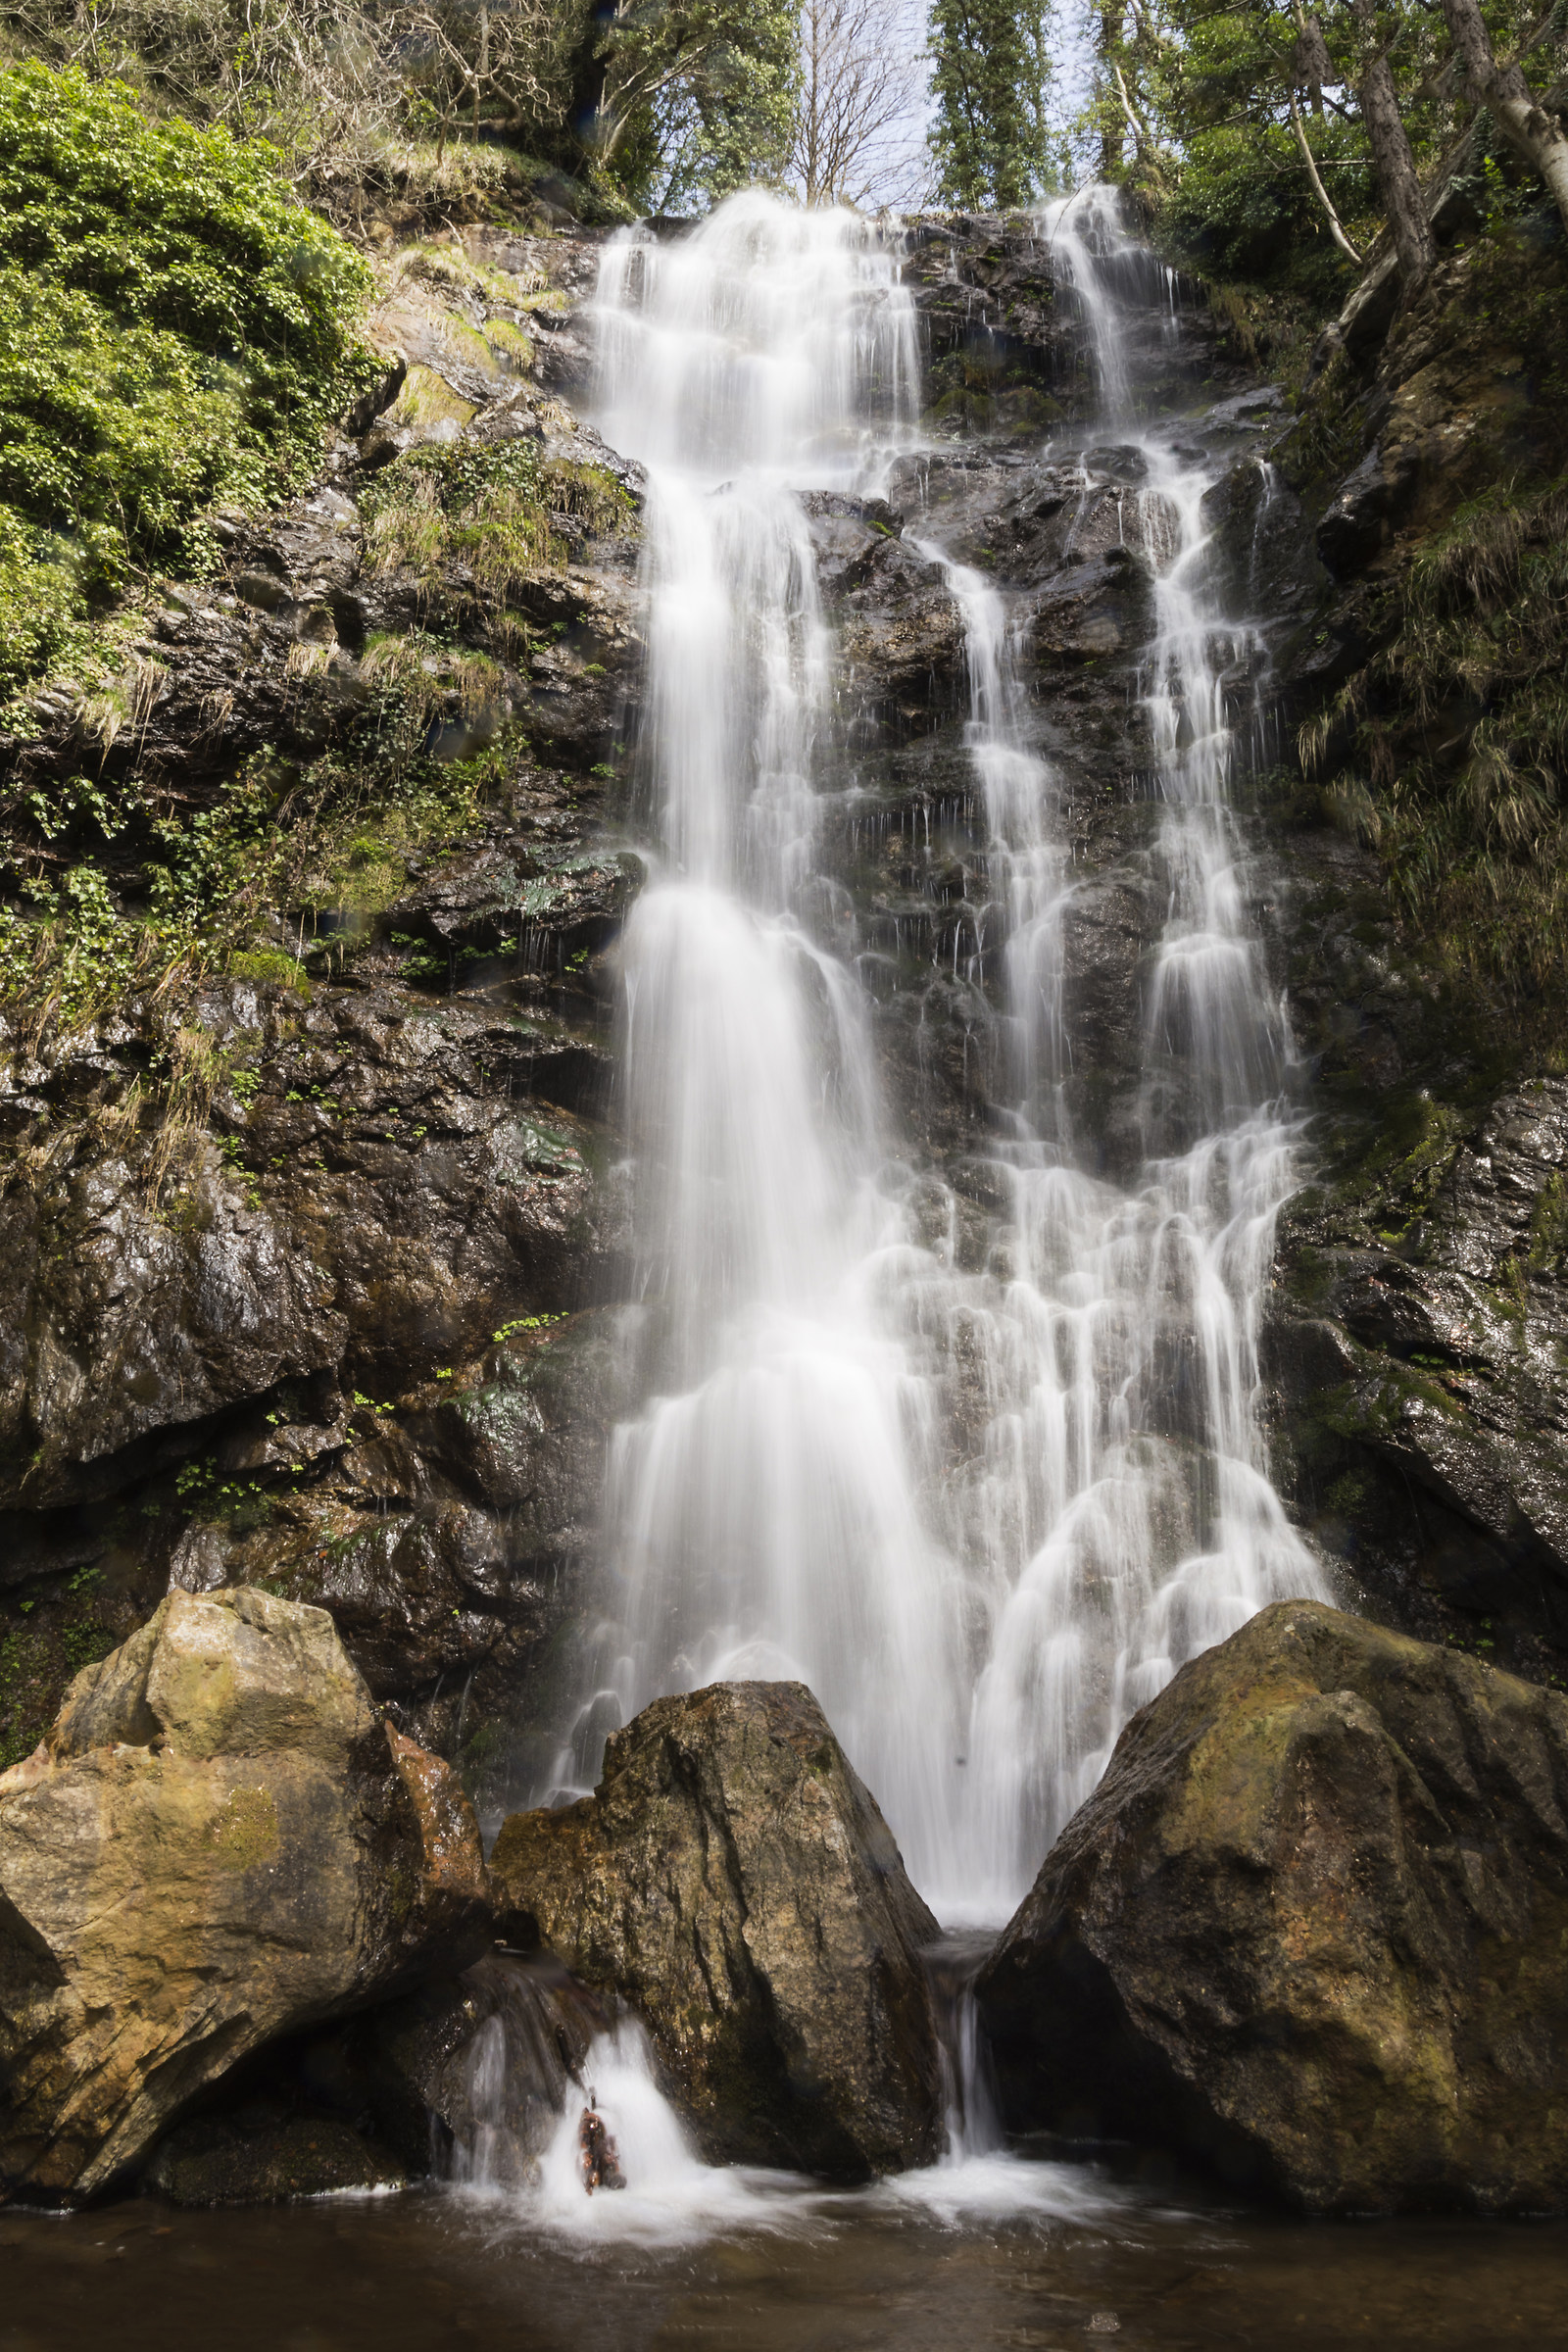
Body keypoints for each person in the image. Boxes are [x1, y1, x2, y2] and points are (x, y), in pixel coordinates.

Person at [577, 2091, 626, 2192]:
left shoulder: (602, 2134)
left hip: (599, 2154)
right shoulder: (586, 2127)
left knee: (609, 2161)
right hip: (592, 2155)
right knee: (591, 2169)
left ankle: (610, 2179)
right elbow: (583, 2146)